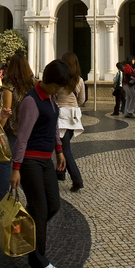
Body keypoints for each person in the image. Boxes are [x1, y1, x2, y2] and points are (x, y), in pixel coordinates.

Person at [9, 59, 78, 268]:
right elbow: (22, 136)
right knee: (39, 208)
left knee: (53, 205)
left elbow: (53, 126)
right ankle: (37, 260)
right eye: (57, 86)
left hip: (45, 160)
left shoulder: (49, 97)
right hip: (30, 162)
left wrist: (59, 150)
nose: (59, 90)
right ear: (49, 81)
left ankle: (21, 233)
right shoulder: (31, 100)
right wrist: (16, 168)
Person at [0, 50, 33, 204]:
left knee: (6, 162)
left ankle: (2, 196)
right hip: (28, 128)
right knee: (24, 162)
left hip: (14, 129)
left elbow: (7, 110)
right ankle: (31, 196)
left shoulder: (9, 86)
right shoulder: (32, 84)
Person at [56, 52, 86, 191]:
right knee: (62, 145)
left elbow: (53, 95)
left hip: (61, 114)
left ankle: (77, 180)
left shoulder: (59, 79)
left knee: (64, 148)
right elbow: (81, 100)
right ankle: (60, 172)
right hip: (73, 116)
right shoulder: (79, 80)